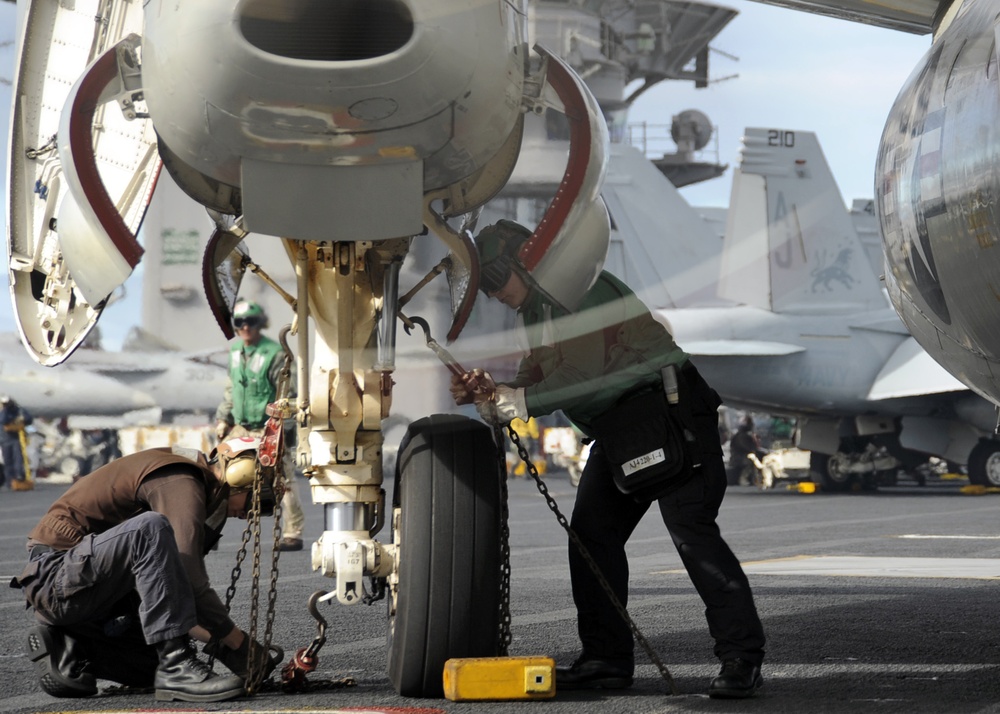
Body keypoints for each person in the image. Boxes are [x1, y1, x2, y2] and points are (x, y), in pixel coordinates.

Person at [450, 220, 766, 699]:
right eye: (485, 287)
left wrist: (517, 400)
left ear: (526, 261)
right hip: (620, 430)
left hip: (669, 415)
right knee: (591, 537)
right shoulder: (535, 311)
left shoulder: (581, 288)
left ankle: (741, 658)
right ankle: (605, 659)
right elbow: (537, 374)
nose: (493, 294)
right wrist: (495, 390)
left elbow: (582, 375)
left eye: (494, 278)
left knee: (692, 532)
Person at [12, 438, 284, 702]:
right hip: (56, 580)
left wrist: (222, 645)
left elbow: (170, 590)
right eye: (258, 500)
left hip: (86, 590)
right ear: (241, 474)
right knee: (150, 529)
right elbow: (189, 577)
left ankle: (74, 647)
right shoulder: (180, 479)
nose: (251, 513)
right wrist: (238, 643)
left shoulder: (191, 485)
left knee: (150, 667)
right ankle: (176, 667)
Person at [215, 300, 306, 552]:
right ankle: (210, 529)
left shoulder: (274, 354)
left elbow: (288, 394)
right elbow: (231, 388)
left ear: (260, 324)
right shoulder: (235, 352)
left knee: (283, 479)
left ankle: (293, 533)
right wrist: (224, 419)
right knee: (218, 474)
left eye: (251, 322)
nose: (245, 327)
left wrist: (284, 431)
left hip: (269, 427)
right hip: (241, 426)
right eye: (240, 323)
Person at [0, 396, 34, 490]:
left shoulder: (19, 410)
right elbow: (3, 420)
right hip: (5, 440)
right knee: (8, 462)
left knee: (18, 460)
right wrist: (7, 412)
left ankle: (19, 477)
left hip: (16, 439)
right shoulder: (4, 412)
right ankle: (10, 482)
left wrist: (22, 419)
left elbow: (29, 419)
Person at [728, 416, 764, 486]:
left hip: (740, 457)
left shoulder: (742, 435)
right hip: (739, 458)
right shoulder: (742, 437)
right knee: (752, 461)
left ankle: (755, 478)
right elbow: (750, 448)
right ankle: (744, 478)